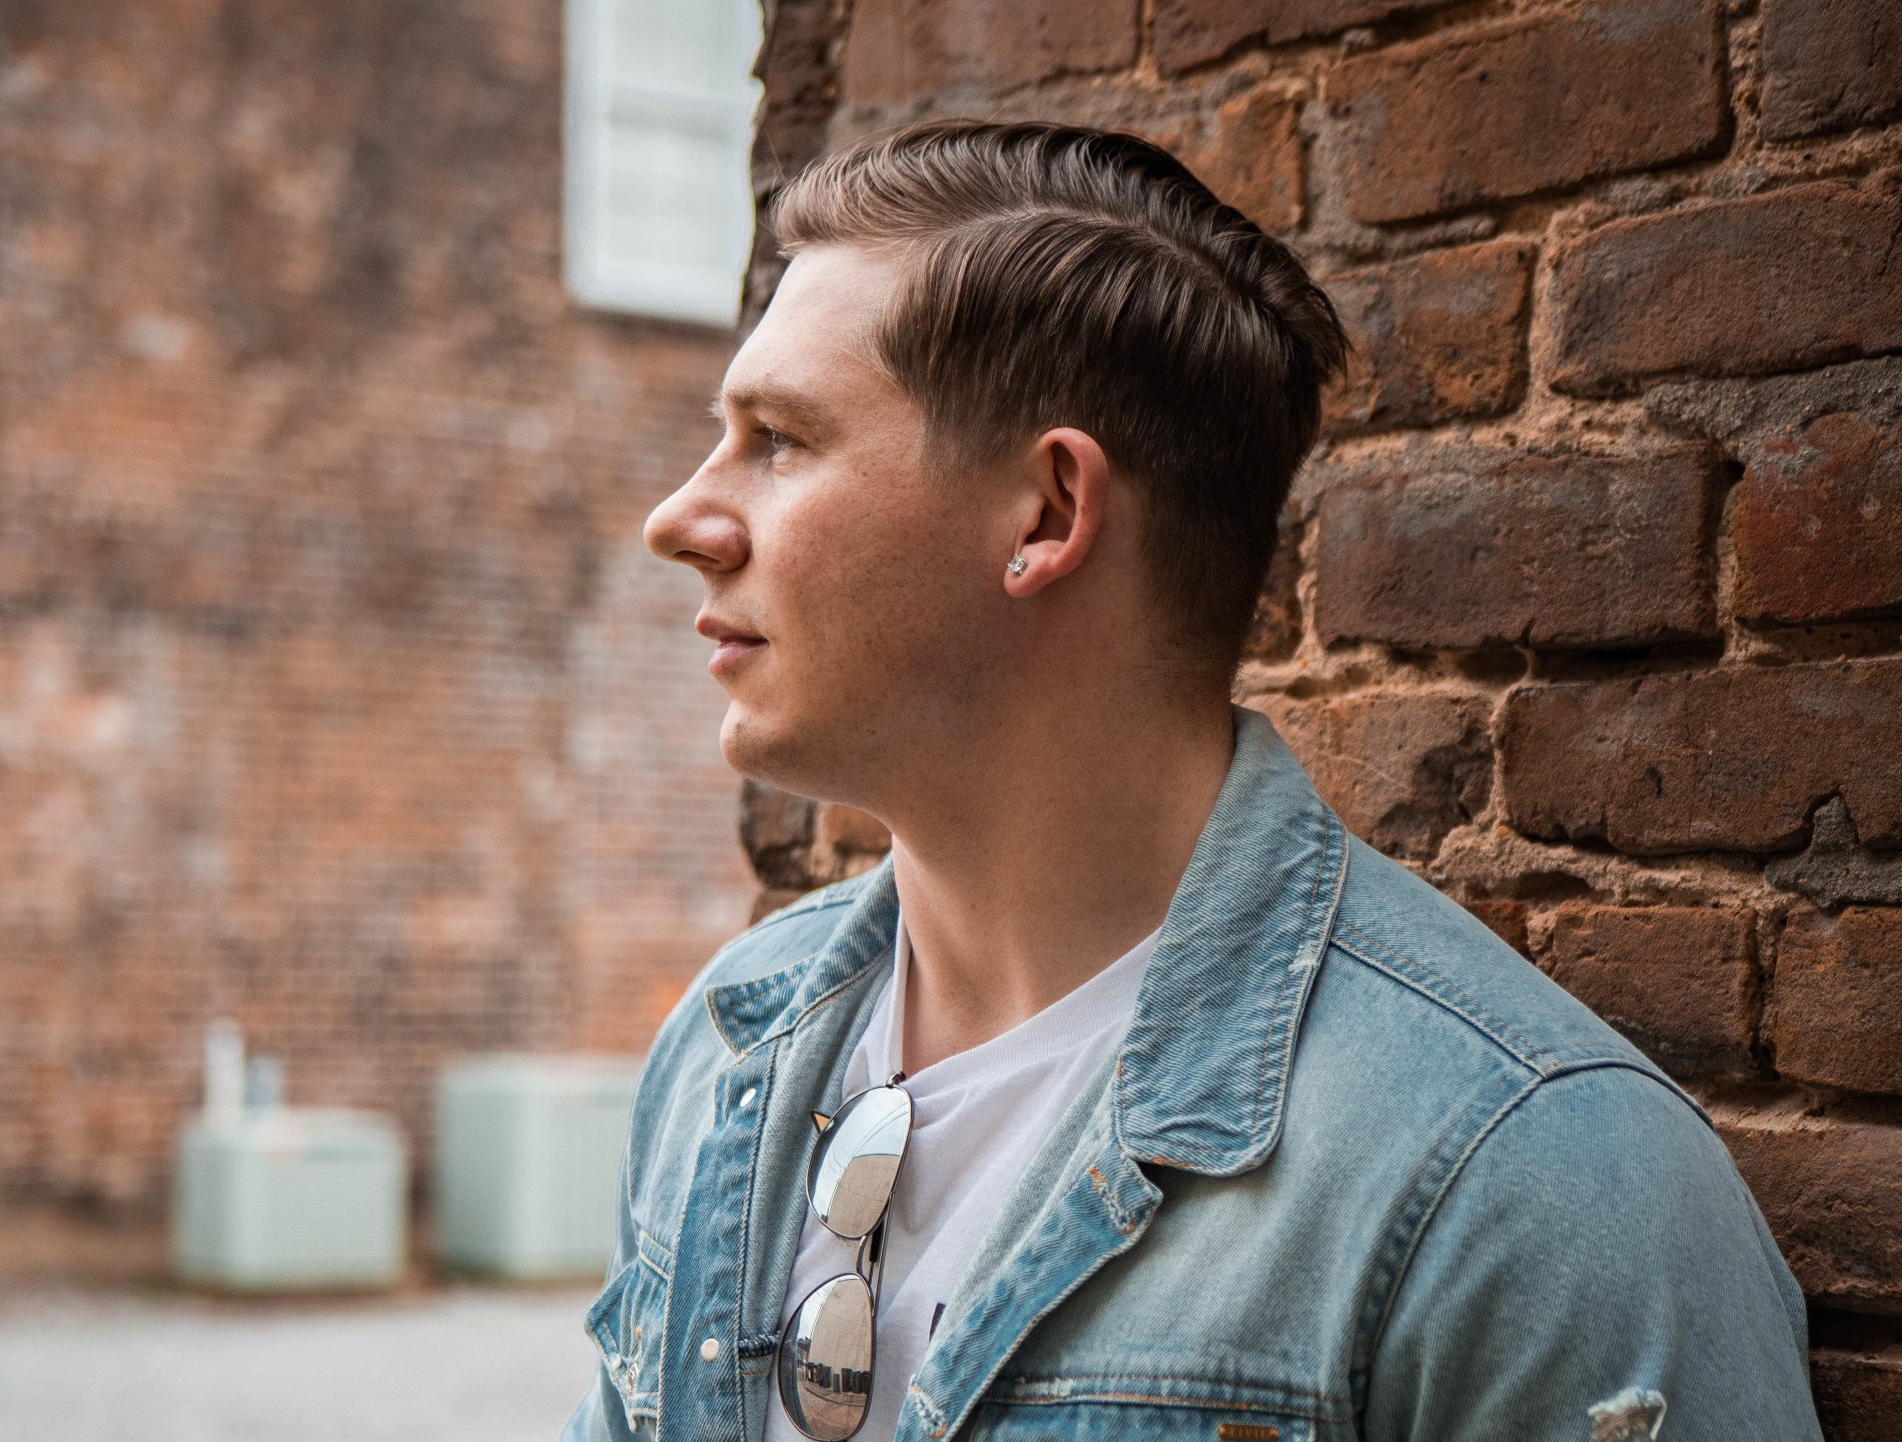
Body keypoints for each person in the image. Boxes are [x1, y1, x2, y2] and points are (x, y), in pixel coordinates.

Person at [562, 120, 1822, 1442]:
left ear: (1047, 515)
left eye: (777, 436)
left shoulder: (1529, 1184)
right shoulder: (729, 1052)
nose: (681, 518)